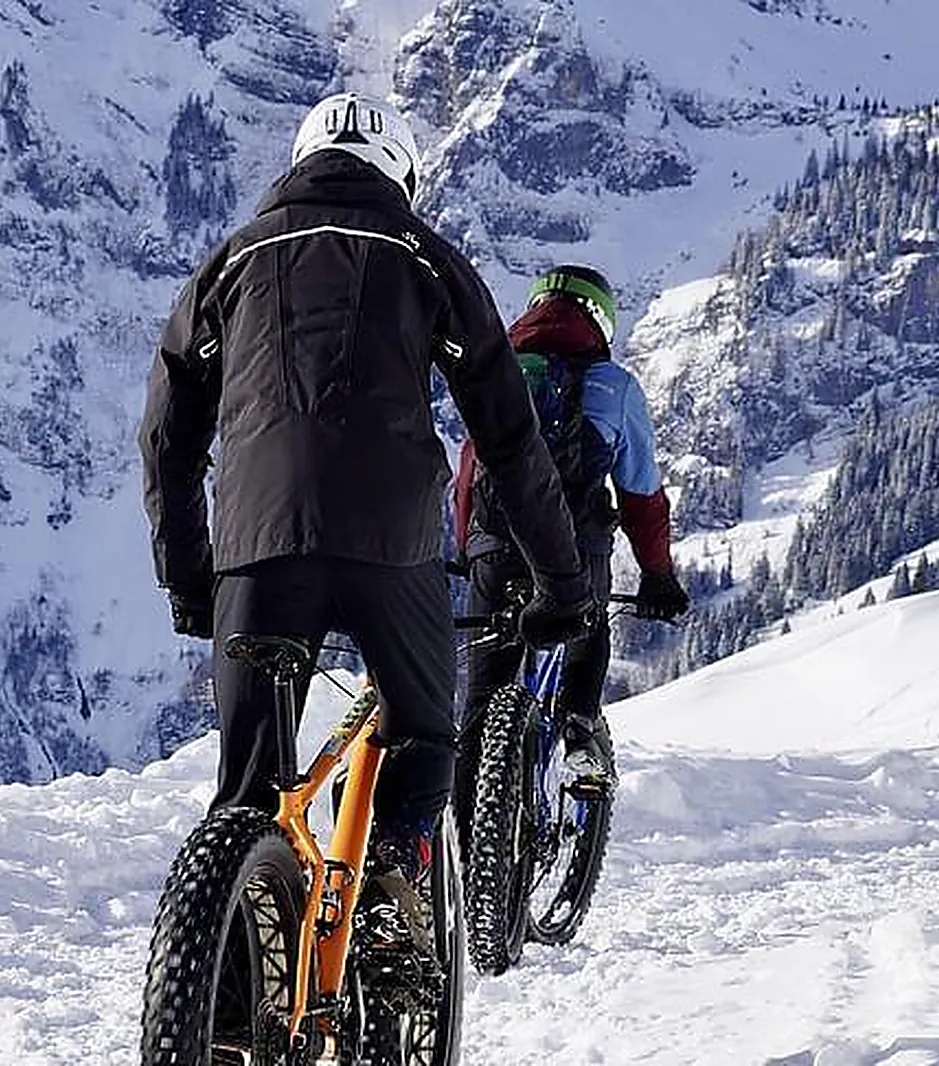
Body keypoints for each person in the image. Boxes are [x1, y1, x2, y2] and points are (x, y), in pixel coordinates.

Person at [137, 91, 594, 900]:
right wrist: (561, 582)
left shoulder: (231, 261)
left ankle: (228, 990)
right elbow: (509, 441)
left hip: (256, 547)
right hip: (390, 544)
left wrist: (189, 576)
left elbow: (168, 438)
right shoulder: (429, 258)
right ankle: (394, 878)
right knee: (423, 733)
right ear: (402, 175)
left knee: (247, 795)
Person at [453, 264, 691, 798]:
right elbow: (641, 496)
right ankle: (580, 729)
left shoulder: (498, 374)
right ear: (600, 321)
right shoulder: (614, 386)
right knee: (588, 633)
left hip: (494, 548)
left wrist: (471, 547)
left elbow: (468, 474)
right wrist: (657, 574)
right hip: (576, 550)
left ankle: (465, 852)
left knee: (483, 700)